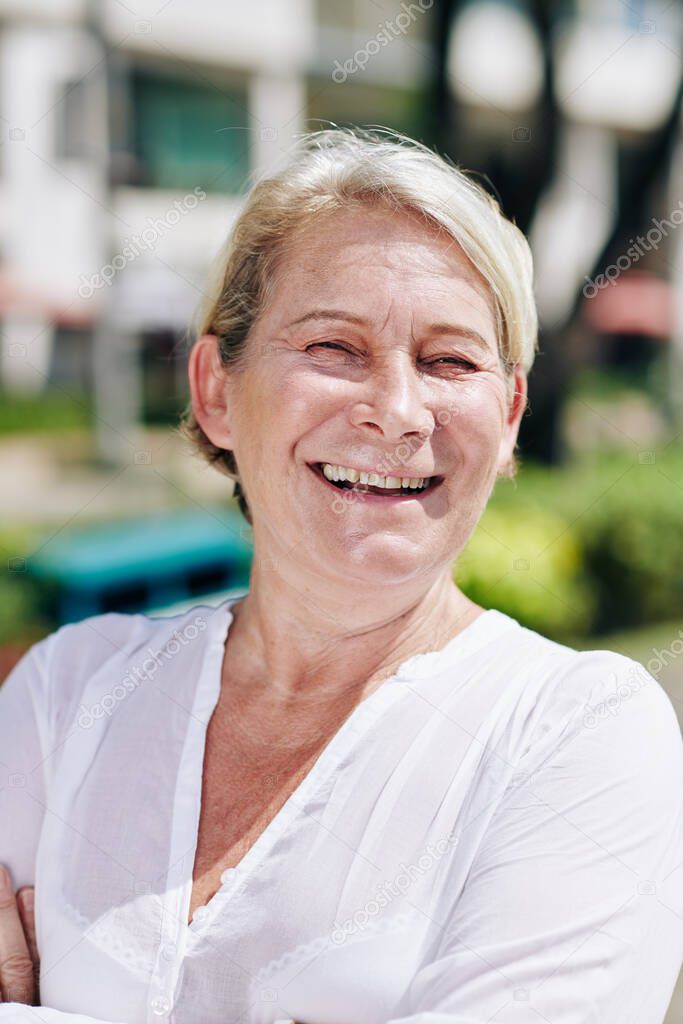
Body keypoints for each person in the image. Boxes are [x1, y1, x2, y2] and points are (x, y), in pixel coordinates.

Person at [0, 127, 681, 1024]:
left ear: (509, 416)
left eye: (449, 361)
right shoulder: (68, 690)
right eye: (332, 347)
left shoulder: (578, 733)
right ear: (214, 390)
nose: (398, 414)